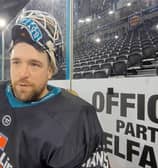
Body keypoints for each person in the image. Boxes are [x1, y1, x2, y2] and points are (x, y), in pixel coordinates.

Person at [0, 10, 111, 168]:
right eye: (16, 62)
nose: (22, 73)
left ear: (50, 70)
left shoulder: (76, 120)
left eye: (34, 64)